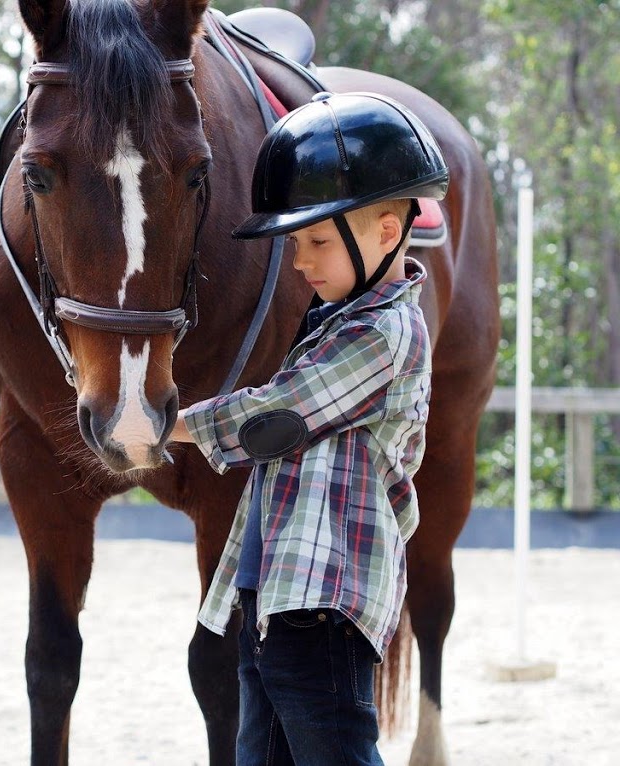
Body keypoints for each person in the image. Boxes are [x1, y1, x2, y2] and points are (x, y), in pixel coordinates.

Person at [169, 91, 449, 765]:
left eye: (317, 240)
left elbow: (280, 416)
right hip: (275, 597)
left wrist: (166, 428)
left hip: (324, 602)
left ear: (386, 231)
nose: (300, 262)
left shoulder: (383, 334)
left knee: (335, 750)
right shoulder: (335, 325)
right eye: (297, 243)